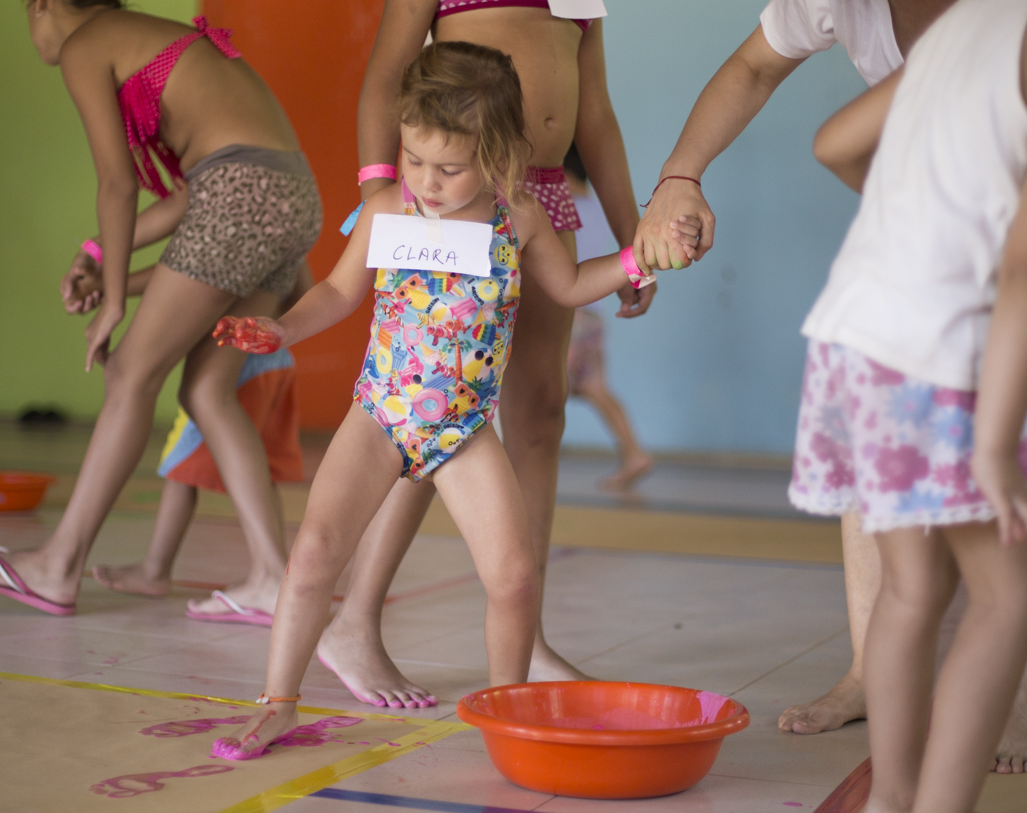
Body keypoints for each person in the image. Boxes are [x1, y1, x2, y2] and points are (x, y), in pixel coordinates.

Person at [634, 0, 1027, 774]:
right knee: (950, 547)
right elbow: (763, 74)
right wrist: (682, 175)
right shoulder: (954, 44)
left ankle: (1019, 696)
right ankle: (873, 678)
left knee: (1026, 415)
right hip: (942, 240)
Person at [207, 42, 694, 759]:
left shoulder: (519, 216)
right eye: (413, 159)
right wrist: (281, 327)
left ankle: (508, 714)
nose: (427, 182)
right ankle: (277, 702)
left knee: (515, 576)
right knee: (313, 552)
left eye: (450, 167)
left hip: (463, 429)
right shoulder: (386, 208)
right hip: (380, 413)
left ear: (499, 156)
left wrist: (635, 259)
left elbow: (566, 287)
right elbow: (338, 291)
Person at [801, 1, 1027, 807]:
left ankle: (892, 797)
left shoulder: (966, 30)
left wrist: (910, 224)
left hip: (855, 332)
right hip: (933, 341)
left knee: (913, 588)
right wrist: (993, 445)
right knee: (1014, 592)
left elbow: (833, 143)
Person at [315, 0, 662, 710]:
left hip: (539, 197)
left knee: (543, 411)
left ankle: (527, 637)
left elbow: (594, 111)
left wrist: (632, 235)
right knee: (431, 408)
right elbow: (386, 73)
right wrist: (383, 190)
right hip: (453, 202)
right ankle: (354, 621)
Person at [0, 3, 320, 620]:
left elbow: (119, 184)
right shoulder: (144, 35)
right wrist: (99, 255)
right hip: (289, 198)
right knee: (206, 391)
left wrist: (114, 296)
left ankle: (57, 566)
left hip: (239, 195)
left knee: (129, 374)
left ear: (42, 5)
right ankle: (271, 577)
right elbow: (191, 196)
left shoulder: (87, 43)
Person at [76, 263, 310, 610]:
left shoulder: (226, 242)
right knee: (256, 469)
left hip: (233, 369)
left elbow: (185, 279)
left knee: (179, 466)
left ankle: (159, 568)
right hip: (276, 362)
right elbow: (303, 293)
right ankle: (276, 572)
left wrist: (108, 287)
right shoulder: (289, 238)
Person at [563, 148, 654, 490]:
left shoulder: (563, 209)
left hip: (570, 313)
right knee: (594, 388)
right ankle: (634, 452)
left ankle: (517, 460)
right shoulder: (598, 208)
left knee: (547, 389)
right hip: (592, 314)